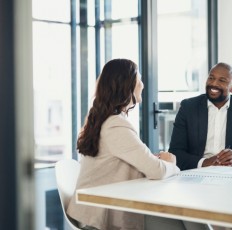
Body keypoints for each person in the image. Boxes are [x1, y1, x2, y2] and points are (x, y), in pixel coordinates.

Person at [66, 58, 180, 230]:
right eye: (139, 80)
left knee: (182, 222)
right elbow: (157, 170)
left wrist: (151, 160)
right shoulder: (115, 124)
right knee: (178, 223)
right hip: (100, 217)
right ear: (126, 85)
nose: (142, 85)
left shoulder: (105, 118)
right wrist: (171, 163)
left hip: (98, 209)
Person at [169, 62, 232, 171]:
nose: (214, 83)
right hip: (195, 171)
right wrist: (205, 162)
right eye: (211, 78)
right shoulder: (188, 107)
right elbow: (175, 152)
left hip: (230, 173)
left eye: (222, 80)